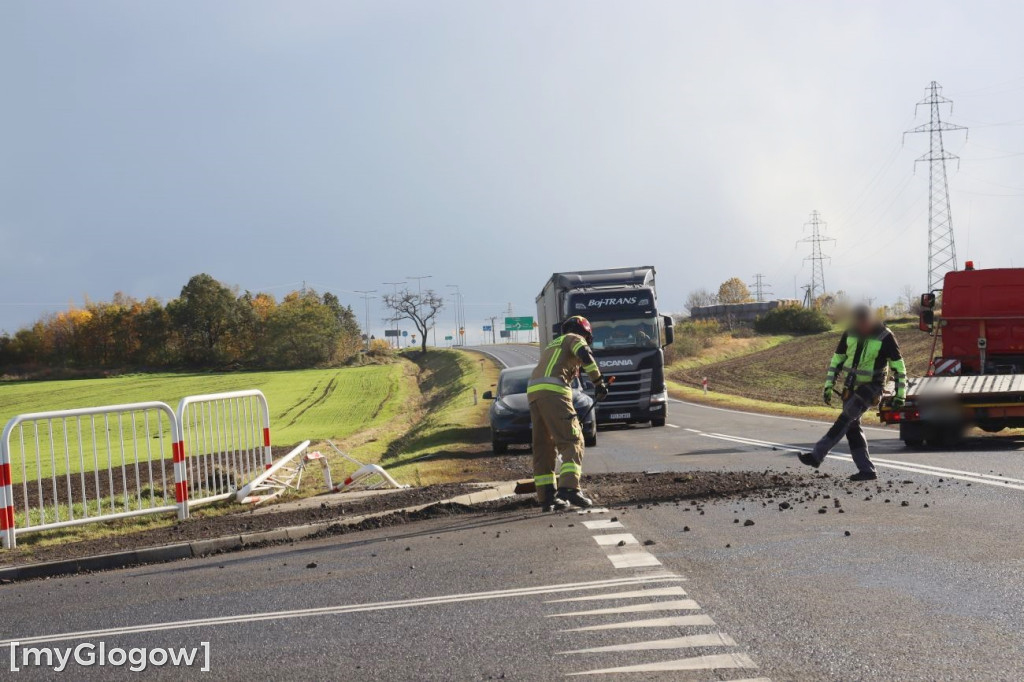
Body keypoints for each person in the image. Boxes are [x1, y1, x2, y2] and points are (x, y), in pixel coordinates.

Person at [798, 305, 907, 481]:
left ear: (871, 319)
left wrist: (900, 394)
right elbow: (837, 360)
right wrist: (828, 385)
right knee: (852, 428)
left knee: (844, 419)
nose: (862, 326)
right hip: (850, 388)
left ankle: (816, 455)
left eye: (865, 322)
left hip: (872, 387)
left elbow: (899, 368)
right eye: (859, 322)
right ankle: (867, 471)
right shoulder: (850, 333)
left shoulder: (885, 336)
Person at [528, 315, 609, 511]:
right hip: (554, 392)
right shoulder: (575, 339)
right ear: (585, 332)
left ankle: (547, 497)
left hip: (533, 394)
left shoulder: (554, 344)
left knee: (544, 447)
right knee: (573, 440)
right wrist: (599, 383)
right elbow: (585, 355)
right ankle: (569, 488)